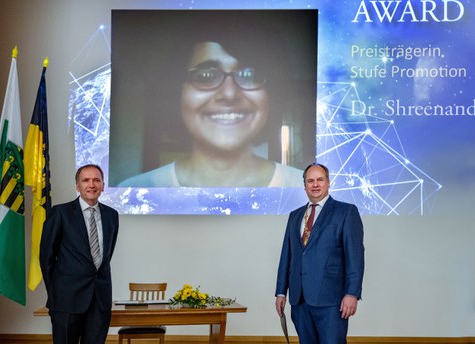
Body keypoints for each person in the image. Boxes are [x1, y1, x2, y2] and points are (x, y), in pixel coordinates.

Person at [112, 11, 317, 188]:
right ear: (178, 93)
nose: (229, 94)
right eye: (206, 76)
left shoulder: (306, 191)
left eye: (249, 75)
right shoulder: (136, 190)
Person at [275, 163, 365, 343]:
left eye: (319, 180)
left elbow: (355, 257)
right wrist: (281, 292)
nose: (315, 184)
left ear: (328, 183)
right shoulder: (295, 215)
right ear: (305, 185)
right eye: (310, 181)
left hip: (332, 301)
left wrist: (352, 294)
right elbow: (287, 256)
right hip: (299, 300)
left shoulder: (346, 212)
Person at [40, 164, 119, 343]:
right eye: (86, 180)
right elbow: (46, 257)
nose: (91, 184)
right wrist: (55, 293)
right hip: (66, 300)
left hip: (100, 300)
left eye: (96, 180)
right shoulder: (60, 213)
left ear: (103, 185)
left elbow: (106, 256)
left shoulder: (112, 215)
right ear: (77, 186)